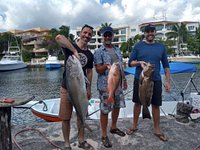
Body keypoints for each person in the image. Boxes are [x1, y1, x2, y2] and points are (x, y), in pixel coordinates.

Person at [126, 24, 171, 142]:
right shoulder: (138, 46)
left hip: (155, 80)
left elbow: (166, 66)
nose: (150, 33)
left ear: (155, 33)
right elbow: (130, 63)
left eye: (152, 31)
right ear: (144, 33)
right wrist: (139, 62)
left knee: (156, 104)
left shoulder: (161, 47)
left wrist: (168, 82)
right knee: (137, 103)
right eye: (148, 31)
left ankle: (157, 129)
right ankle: (134, 126)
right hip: (140, 79)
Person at [55, 24, 94, 150]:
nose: (87, 35)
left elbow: (89, 72)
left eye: (89, 34)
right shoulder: (69, 47)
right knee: (65, 118)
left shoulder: (89, 54)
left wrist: (89, 89)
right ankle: (67, 144)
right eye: (85, 32)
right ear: (80, 33)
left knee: (81, 116)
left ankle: (81, 140)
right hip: (67, 89)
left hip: (82, 90)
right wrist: (74, 51)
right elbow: (58, 37)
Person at [94, 26, 128, 148]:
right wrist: (105, 66)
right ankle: (103, 135)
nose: (108, 37)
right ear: (102, 37)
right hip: (105, 85)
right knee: (105, 110)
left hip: (118, 84)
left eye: (110, 35)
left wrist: (124, 79)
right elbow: (98, 69)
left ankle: (113, 127)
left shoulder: (117, 50)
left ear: (112, 36)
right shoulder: (98, 52)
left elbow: (121, 67)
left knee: (117, 106)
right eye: (105, 35)